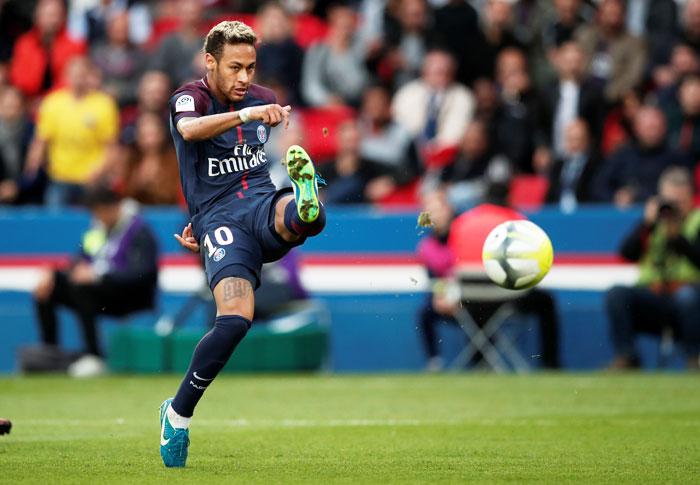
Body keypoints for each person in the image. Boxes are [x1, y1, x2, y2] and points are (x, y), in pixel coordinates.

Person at [160, 20, 327, 468]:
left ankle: (304, 201)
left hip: (258, 203)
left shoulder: (265, 100)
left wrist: (265, 116)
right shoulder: (188, 98)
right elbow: (191, 132)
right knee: (234, 322)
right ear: (210, 62)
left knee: (305, 217)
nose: (244, 78)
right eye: (235, 67)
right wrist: (246, 114)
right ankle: (177, 414)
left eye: (251, 68)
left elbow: (260, 119)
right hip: (219, 222)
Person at [416, 188, 560, 371]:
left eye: (437, 208)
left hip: (468, 299)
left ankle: (479, 362)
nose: (434, 215)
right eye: (428, 210)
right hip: (503, 298)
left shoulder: (461, 227)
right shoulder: (509, 221)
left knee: (475, 309)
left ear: (449, 208)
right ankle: (550, 363)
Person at [32, 183, 159, 377]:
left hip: (130, 296)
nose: (98, 217)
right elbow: (79, 261)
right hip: (100, 292)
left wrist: (98, 276)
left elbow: (142, 273)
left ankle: (94, 356)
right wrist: (54, 274)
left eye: (100, 212)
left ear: (114, 207)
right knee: (48, 287)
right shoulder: (97, 230)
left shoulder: (139, 230)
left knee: (83, 288)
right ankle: (50, 353)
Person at [605, 167, 700, 370]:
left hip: (691, 297)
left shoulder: (697, 220)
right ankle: (627, 357)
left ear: (691, 197)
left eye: (679, 202)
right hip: (654, 295)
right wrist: (646, 224)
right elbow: (627, 253)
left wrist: (679, 240)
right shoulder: (652, 223)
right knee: (617, 294)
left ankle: (695, 358)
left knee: (688, 297)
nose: (673, 208)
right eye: (669, 201)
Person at [23, 56, 119, 206]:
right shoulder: (52, 103)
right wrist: (32, 168)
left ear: (89, 76)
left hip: (91, 180)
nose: (78, 79)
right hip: (60, 178)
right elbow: (41, 141)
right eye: (74, 74)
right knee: (55, 221)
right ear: (66, 76)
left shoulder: (104, 104)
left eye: (82, 74)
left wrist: (98, 171)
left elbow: (111, 147)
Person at [593, 106, 693, 207]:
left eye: (656, 127)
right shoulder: (622, 155)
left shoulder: (677, 157)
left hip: (665, 214)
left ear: (664, 127)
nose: (653, 132)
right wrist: (615, 197)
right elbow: (598, 186)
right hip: (625, 215)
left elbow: (685, 190)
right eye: (649, 128)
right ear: (637, 128)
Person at [9, 0, 86, 99]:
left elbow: (73, 80)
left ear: (63, 17)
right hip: (27, 101)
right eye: (48, 15)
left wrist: (48, 100)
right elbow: (18, 78)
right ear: (37, 16)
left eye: (55, 15)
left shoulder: (76, 46)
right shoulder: (24, 44)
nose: (52, 20)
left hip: (62, 101)